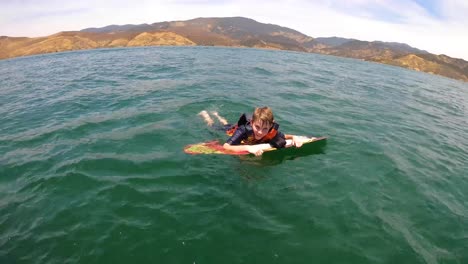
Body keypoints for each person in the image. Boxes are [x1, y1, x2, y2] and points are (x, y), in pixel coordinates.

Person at [198, 107, 306, 156]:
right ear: (252, 122)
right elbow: (226, 146)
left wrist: (294, 138)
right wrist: (249, 148)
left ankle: (217, 114)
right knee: (214, 126)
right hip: (231, 131)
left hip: (240, 132)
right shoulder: (243, 130)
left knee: (225, 123)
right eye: (257, 127)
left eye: (265, 129)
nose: (260, 132)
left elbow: (285, 136)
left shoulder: (270, 130)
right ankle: (206, 115)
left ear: (270, 126)